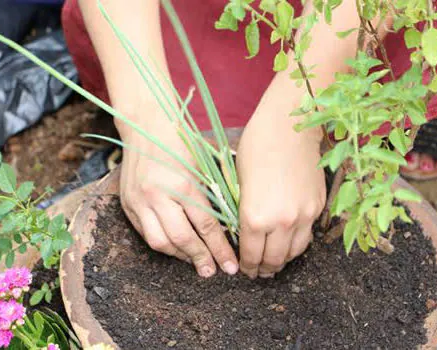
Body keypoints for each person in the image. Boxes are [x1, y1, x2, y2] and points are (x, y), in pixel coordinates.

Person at [61, 0, 436, 279]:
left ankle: (378, 157)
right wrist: (145, 116)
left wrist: (300, 117)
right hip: (177, 17)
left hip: (347, 17)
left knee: (362, 120)